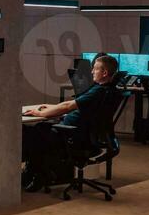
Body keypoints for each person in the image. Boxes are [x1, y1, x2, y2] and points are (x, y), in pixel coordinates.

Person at [21, 54, 120, 191]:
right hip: (83, 134)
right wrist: (49, 107)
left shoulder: (98, 91)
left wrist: (40, 113)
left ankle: (37, 175)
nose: (92, 72)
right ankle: (36, 174)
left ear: (104, 73)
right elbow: (73, 105)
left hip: (72, 135)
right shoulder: (109, 91)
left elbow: (67, 107)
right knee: (40, 128)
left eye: (95, 69)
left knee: (34, 132)